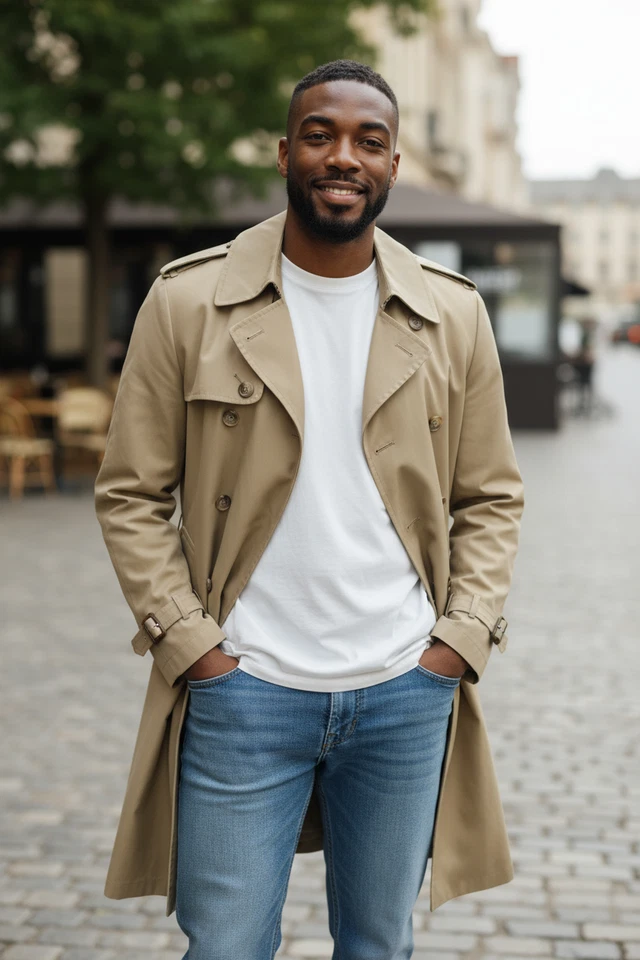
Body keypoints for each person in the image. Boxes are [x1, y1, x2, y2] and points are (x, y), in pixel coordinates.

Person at [95, 59, 524, 960]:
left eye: (369, 141)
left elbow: (490, 496)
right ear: (286, 151)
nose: (344, 157)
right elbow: (131, 493)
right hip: (243, 688)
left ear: (394, 165)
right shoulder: (187, 301)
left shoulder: (452, 315)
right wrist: (195, 650)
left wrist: (458, 641)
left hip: (405, 687)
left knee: (378, 946)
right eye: (321, 135)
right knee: (226, 948)